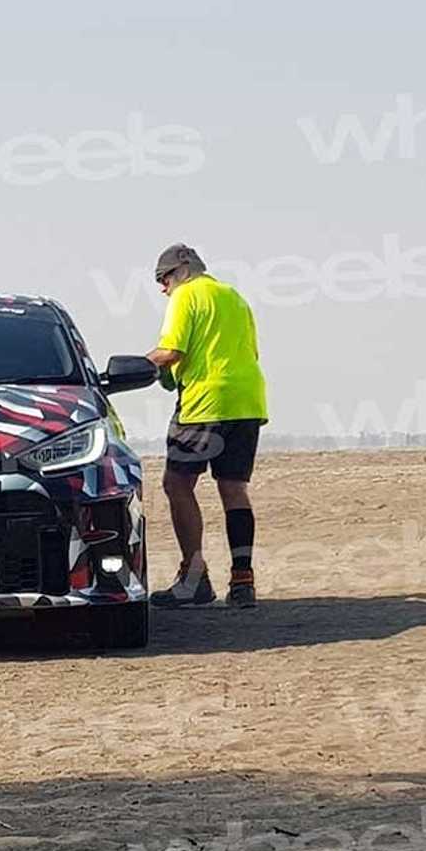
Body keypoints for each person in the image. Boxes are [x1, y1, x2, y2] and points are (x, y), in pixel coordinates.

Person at [145, 243, 270, 608]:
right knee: (233, 489)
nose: (162, 288)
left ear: (181, 271)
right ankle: (243, 582)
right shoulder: (235, 297)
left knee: (176, 484)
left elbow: (171, 352)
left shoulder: (186, 294)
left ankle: (194, 578)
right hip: (247, 401)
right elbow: (248, 352)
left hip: (205, 402)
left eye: (163, 278)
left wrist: (136, 366)